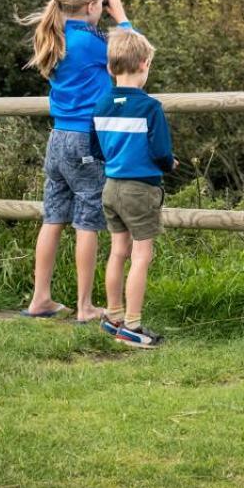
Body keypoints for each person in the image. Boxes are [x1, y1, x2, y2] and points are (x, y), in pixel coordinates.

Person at [17, 0, 134, 322]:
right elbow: (135, 58)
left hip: (58, 139)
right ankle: (85, 306)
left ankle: (41, 298)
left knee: (52, 219)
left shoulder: (54, 35)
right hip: (87, 140)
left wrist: (105, 13)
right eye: (100, 3)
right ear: (89, 6)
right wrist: (123, 17)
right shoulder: (92, 42)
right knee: (87, 222)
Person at [93, 29, 171, 348]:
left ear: (111, 68)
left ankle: (114, 317)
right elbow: (162, 152)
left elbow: (96, 149)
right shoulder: (150, 107)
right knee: (141, 255)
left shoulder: (101, 104)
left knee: (117, 251)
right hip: (140, 189)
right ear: (144, 64)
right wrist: (169, 165)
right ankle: (134, 326)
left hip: (110, 187)